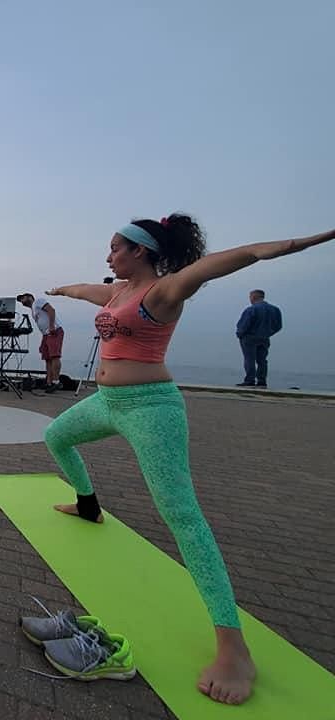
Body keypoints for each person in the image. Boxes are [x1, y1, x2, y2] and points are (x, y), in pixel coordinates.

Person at [43, 216, 333, 705]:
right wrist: (61, 289)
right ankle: (89, 504)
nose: (108, 255)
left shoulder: (164, 291)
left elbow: (237, 257)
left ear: (141, 250)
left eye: (116, 247)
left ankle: (234, 649)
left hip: (151, 408)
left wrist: (296, 243)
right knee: (56, 436)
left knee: (182, 515)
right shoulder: (115, 293)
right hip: (106, 402)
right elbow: (83, 288)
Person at [16, 292, 65, 392]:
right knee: (47, 358)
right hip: (46, 334)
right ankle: (49, 382)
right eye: (20, 300)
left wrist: (51, 326)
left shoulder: (38, 301)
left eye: (23, 298)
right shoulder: (33, 310)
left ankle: (56, 382)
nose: (22, 301)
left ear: (30, 297)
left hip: (54, 331)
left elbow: (51, 310)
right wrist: (44, 339)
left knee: (55, 356)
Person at [235, 290, 282, 387]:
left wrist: (240, 334)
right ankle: (262, 381)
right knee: (262, 360)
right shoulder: (275, 310)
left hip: (249, 337)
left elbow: (244, 324)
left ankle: (249, 380)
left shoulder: (251, 310)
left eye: (250, 297)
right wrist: (269, 333)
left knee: (249, 359)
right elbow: (278, 326)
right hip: (264, 338)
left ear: (253, 297)